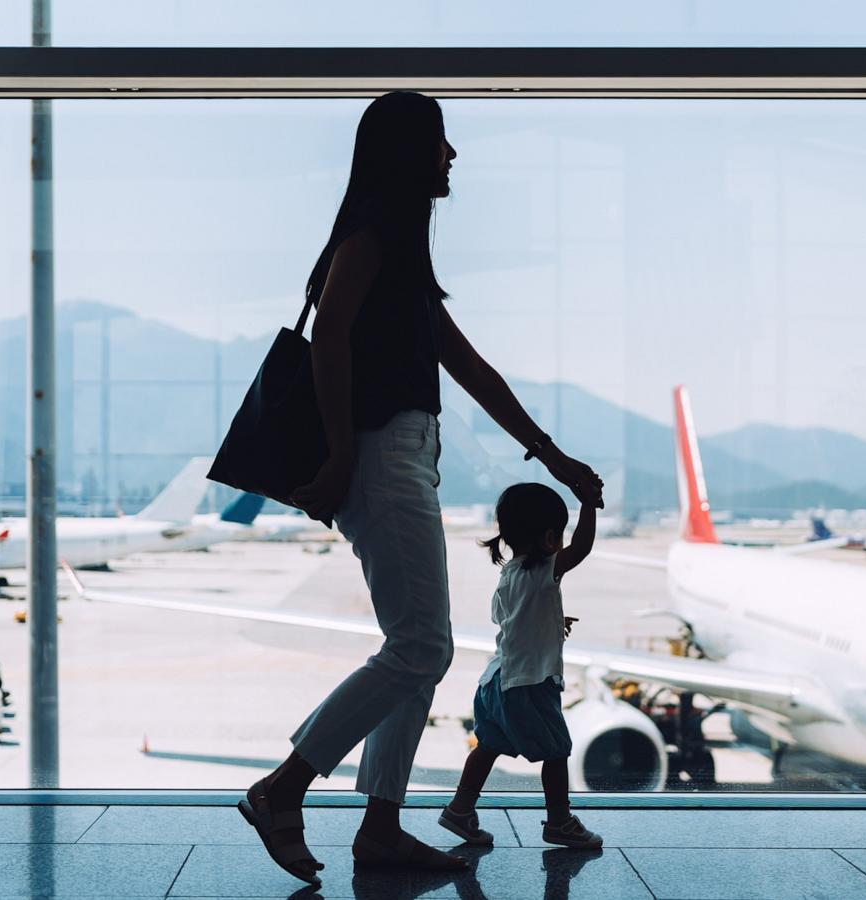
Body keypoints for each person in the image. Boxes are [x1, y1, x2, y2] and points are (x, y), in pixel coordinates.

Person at [237, 91, 604, 887]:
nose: (453, 156)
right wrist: (338, 455)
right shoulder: (371, 233)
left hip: (400, 452)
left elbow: (471, 370)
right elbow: (329, 335)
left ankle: (380, 830)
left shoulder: (398, 249)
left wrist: (552, 457)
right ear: (410, 153)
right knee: (422, 647)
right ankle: (282, 789)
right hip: (377, 452)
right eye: (441, 142)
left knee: (418, 650)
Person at [437, 483, 604, 850]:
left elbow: (508, 619)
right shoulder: (546, 569)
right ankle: (559, 821)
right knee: (557, 751)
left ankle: (460, 809)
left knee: (488, 745)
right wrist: (589, 505)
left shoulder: (509, 574)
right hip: (530, 683)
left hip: (496, 681)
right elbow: (583, 548)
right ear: (549, 537)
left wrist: (551, 618)